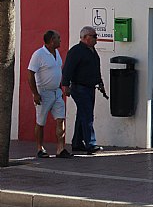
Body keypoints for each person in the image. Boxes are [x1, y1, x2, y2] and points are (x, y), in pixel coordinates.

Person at [27, 30, 72, 158]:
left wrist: (60, 88)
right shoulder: (39, 54)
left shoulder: (56, 53)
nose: (60, 40)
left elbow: (57, 72)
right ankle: (40, 148)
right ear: (52, 40)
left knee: (60, 119)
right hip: (43, 92)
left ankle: (60, 148)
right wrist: (35, 93)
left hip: (56, 92)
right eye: (58, 38)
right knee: (41, 121)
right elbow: (30, 73)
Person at [61, 26, 105, 154]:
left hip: (90, 87)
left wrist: (100, 83)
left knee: (82, 115)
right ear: (86, 37)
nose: (96, 39)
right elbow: (68, 69)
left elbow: (96, 68)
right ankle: (90, 143)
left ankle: (77, 142)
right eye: (94, 36)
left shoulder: (92, 51)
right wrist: (66, 85)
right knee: (87, 115)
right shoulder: (76, 51)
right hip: (79, 88)